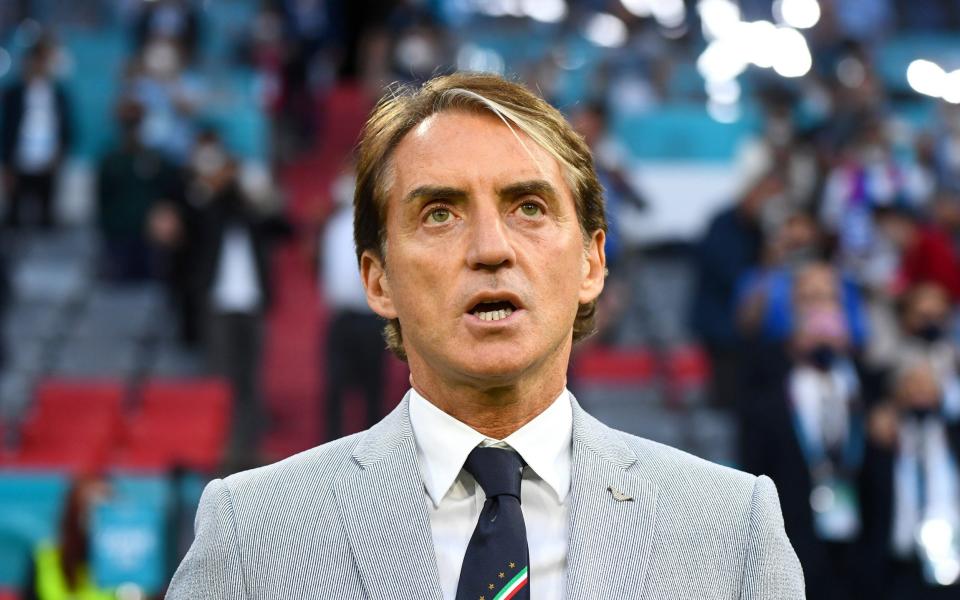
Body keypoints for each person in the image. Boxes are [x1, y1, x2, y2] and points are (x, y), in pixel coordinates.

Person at [167, 73, 803, 599]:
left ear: (591, 264)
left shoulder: (731, 526)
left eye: (529, 207)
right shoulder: (248, 530)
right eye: (439, 213)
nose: (491, 249)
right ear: (378, 279)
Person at [320, 168, 387, 441]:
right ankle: (332, 442)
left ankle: (374, 442)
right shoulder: (333, 227)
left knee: (373, 385)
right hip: (343, 316)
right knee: (335, 384)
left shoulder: (373, 228)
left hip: (370, 315)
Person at [1, 40, 72, 229]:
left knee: (46, 220)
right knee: (14, 220)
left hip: (48, 163)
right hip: (19, 161)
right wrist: (7, 164)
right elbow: (7, 129)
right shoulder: (13, 93)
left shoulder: (59, 94)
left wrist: (60, 154)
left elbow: (67, 127)